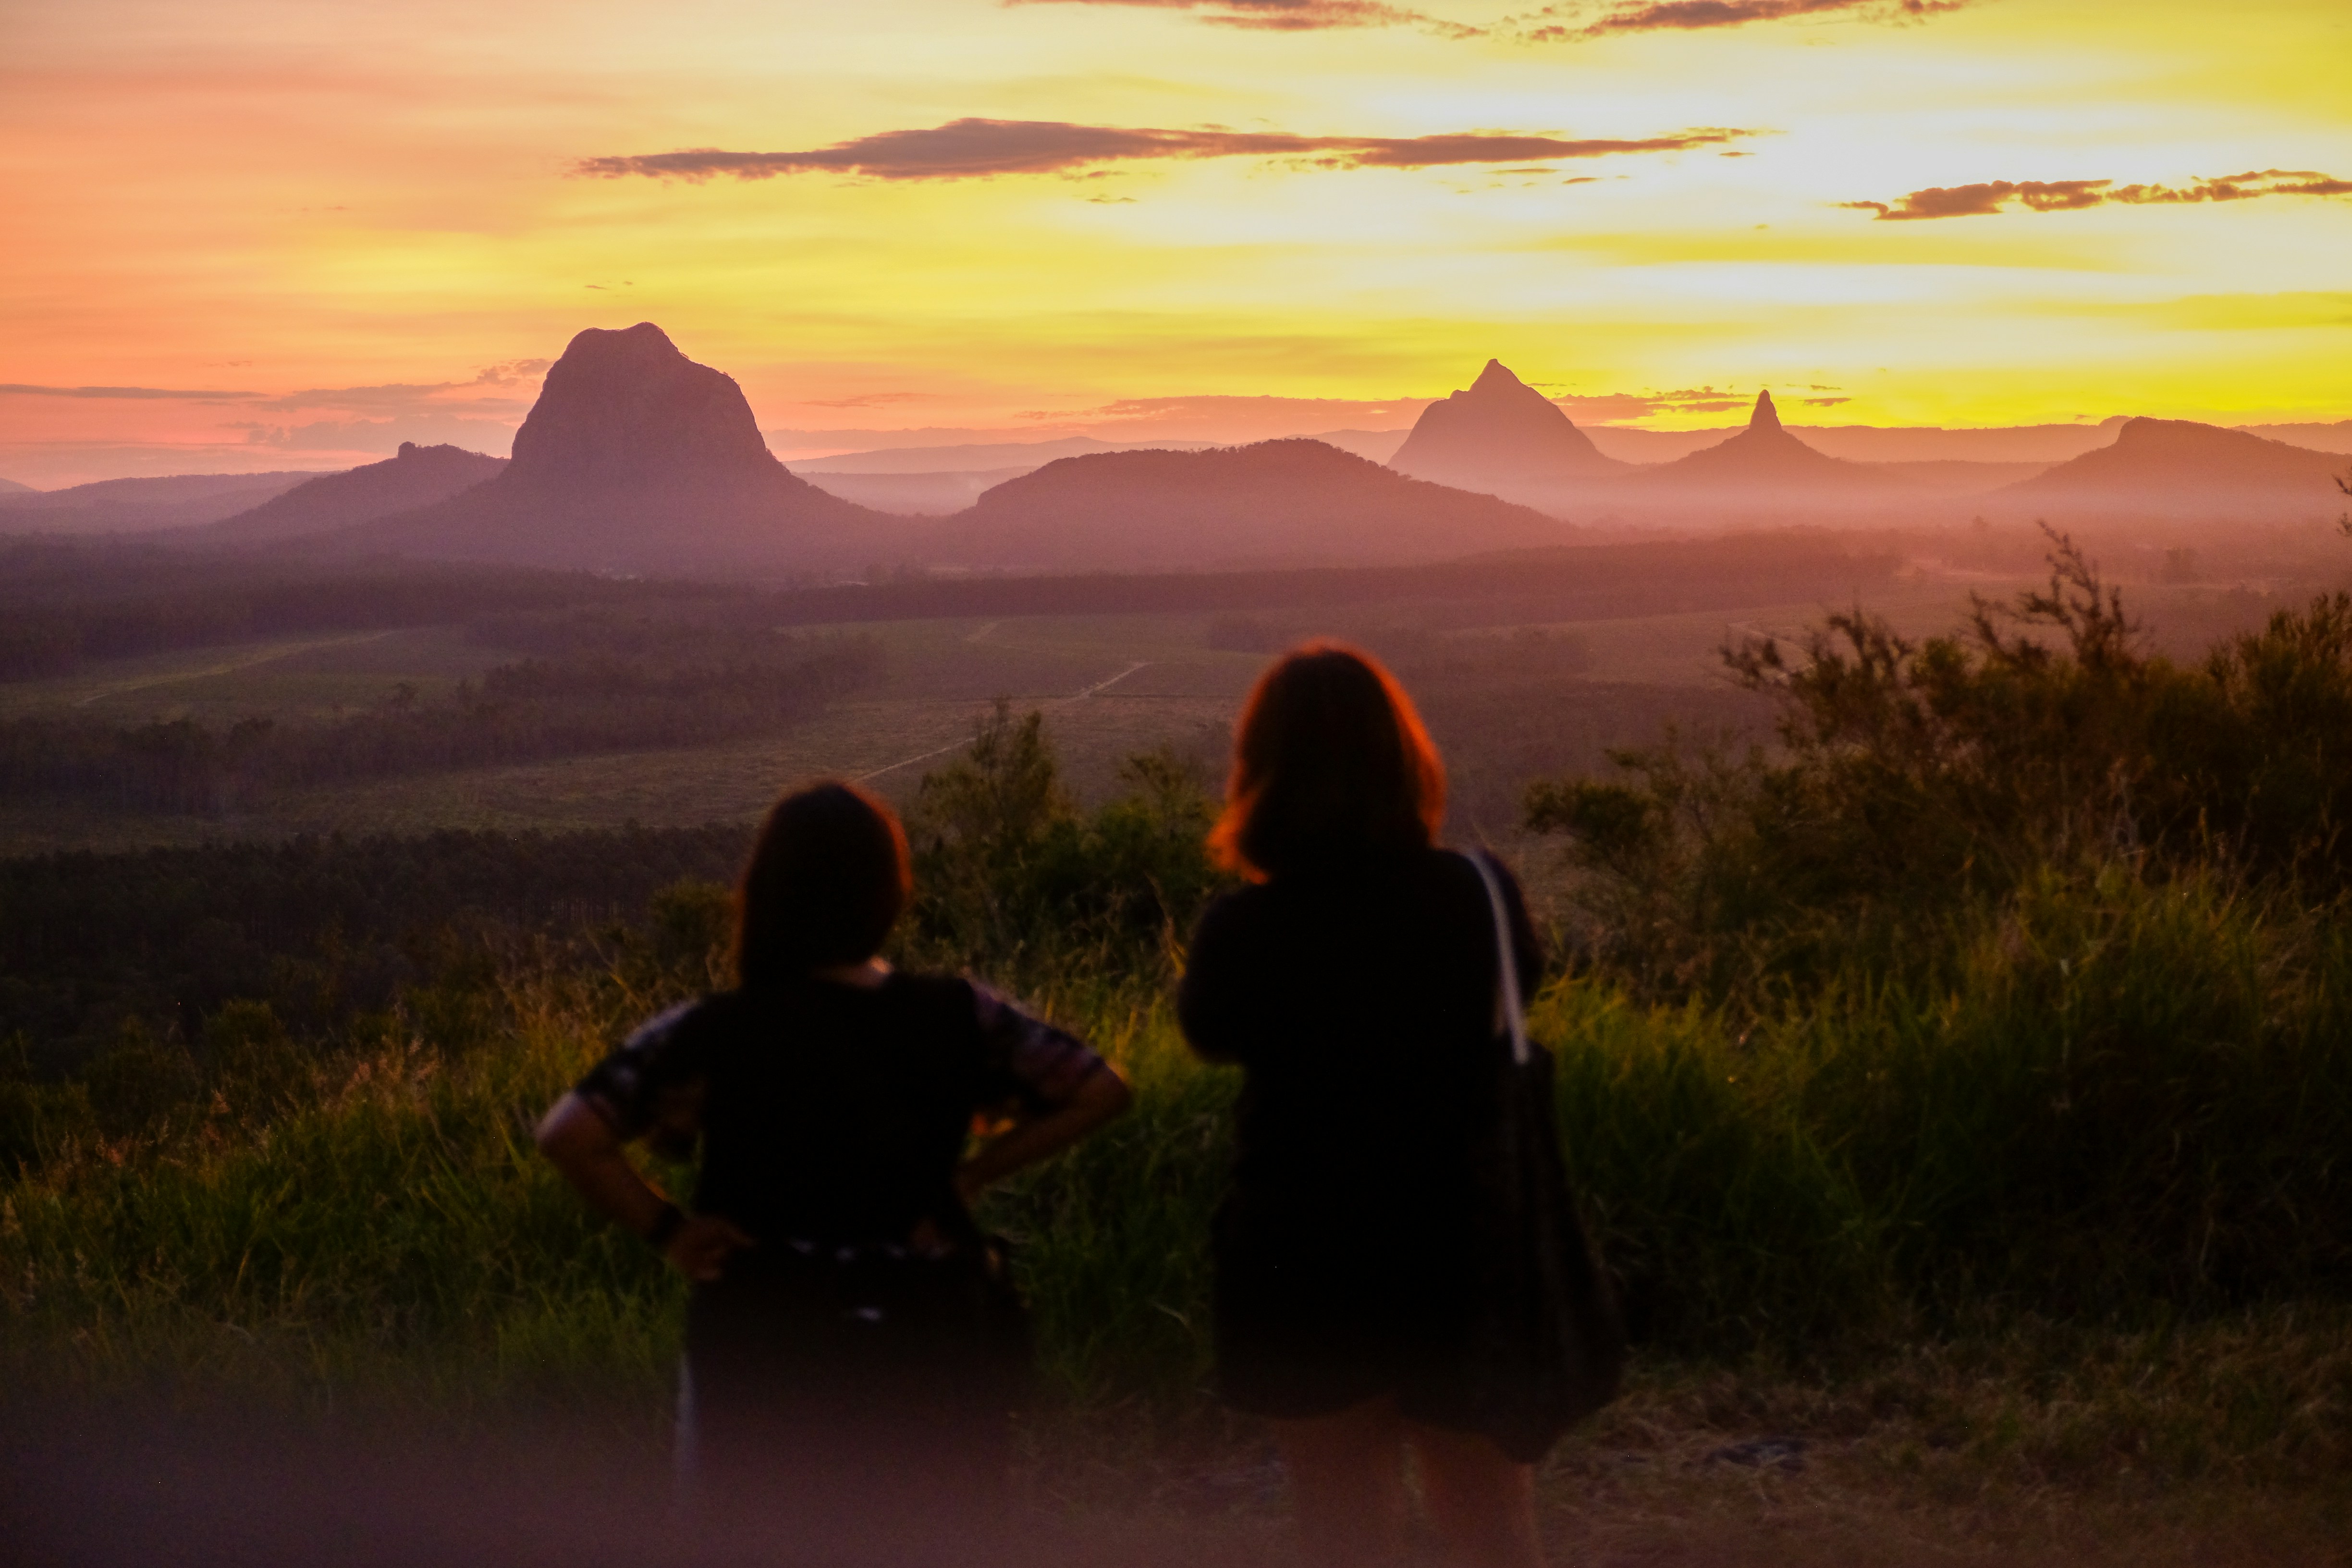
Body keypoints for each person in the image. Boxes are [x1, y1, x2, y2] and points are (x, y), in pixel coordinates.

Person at [535, 780, 1131, 1563]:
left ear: (765, 895)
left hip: (766, 1345)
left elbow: (568, 1135)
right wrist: (976, 1174)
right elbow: (1100, 1089)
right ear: (889, 895)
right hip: (931, 1344)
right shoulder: (957, 1013)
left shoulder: (715, 1030)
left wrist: (670, 1230)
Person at [1177, 643, 1550, 1568]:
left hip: (1298, 1255)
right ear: (1405, 760)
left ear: (1259, 773)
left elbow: (1211, 1033)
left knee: (1338, 1525)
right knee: (1493, 1527)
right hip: (1460, 1246)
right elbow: (1515, 1000)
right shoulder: (1479, 894)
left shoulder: (1242, 930)